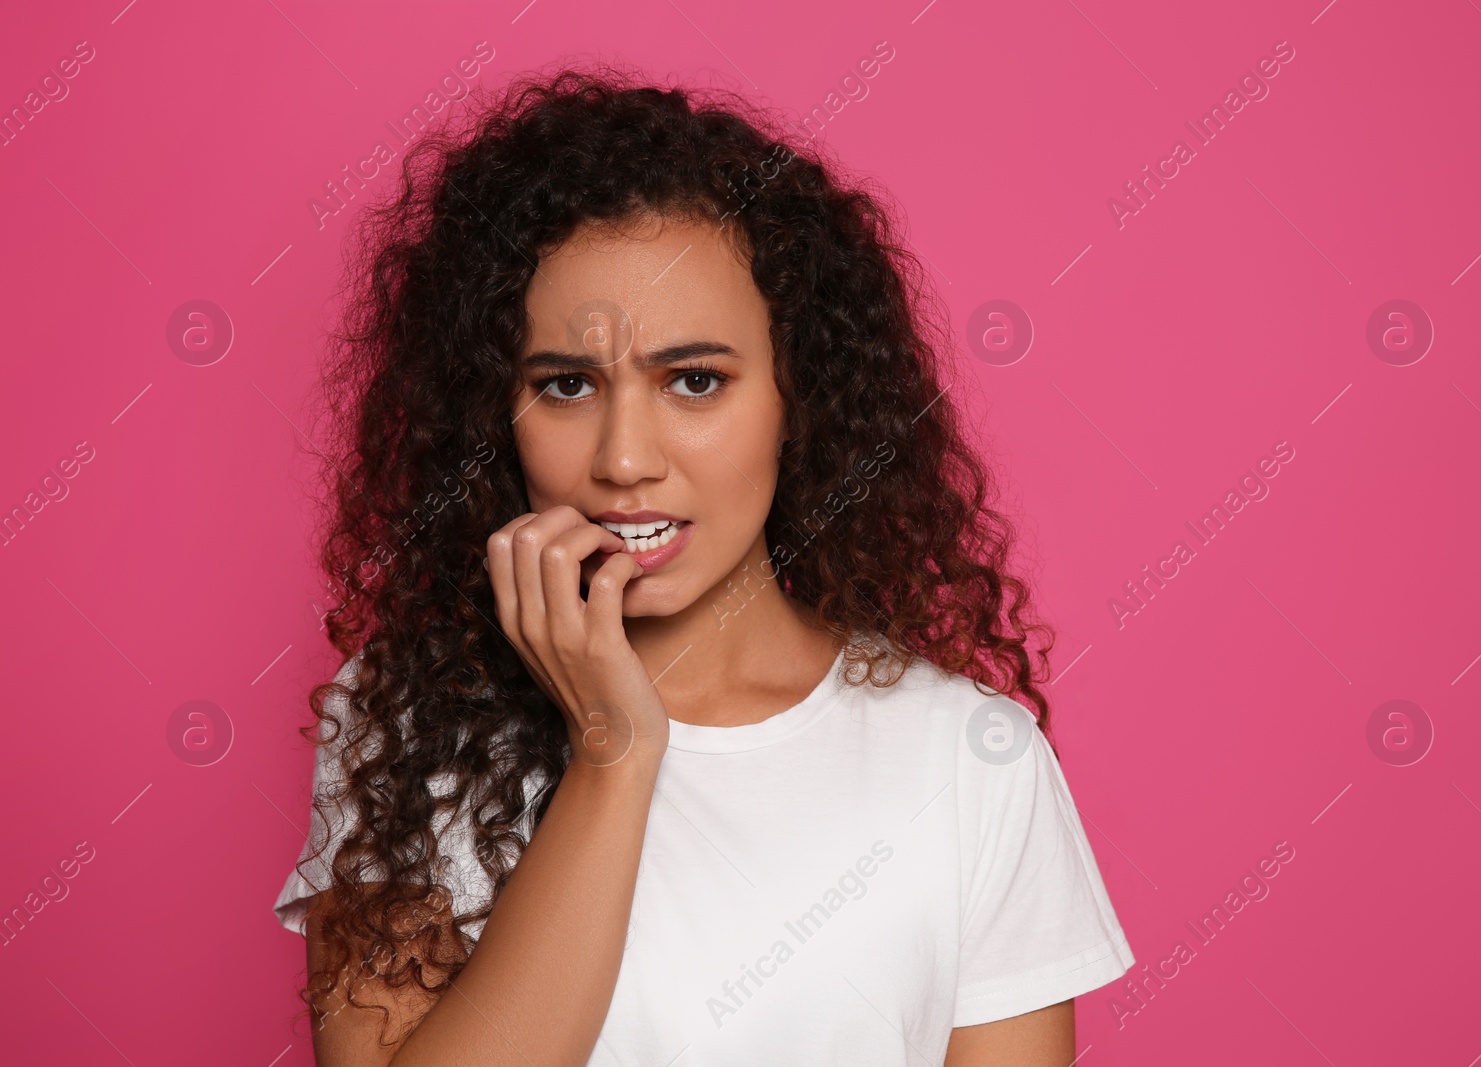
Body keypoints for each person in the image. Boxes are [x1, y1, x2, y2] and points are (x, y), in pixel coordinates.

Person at [273, 63, 1134, 1066]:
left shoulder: (970, 758)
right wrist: (611, 754)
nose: (626, 458)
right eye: (565, 385)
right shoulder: (406, 729)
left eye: (694, 379)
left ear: (796, 397)